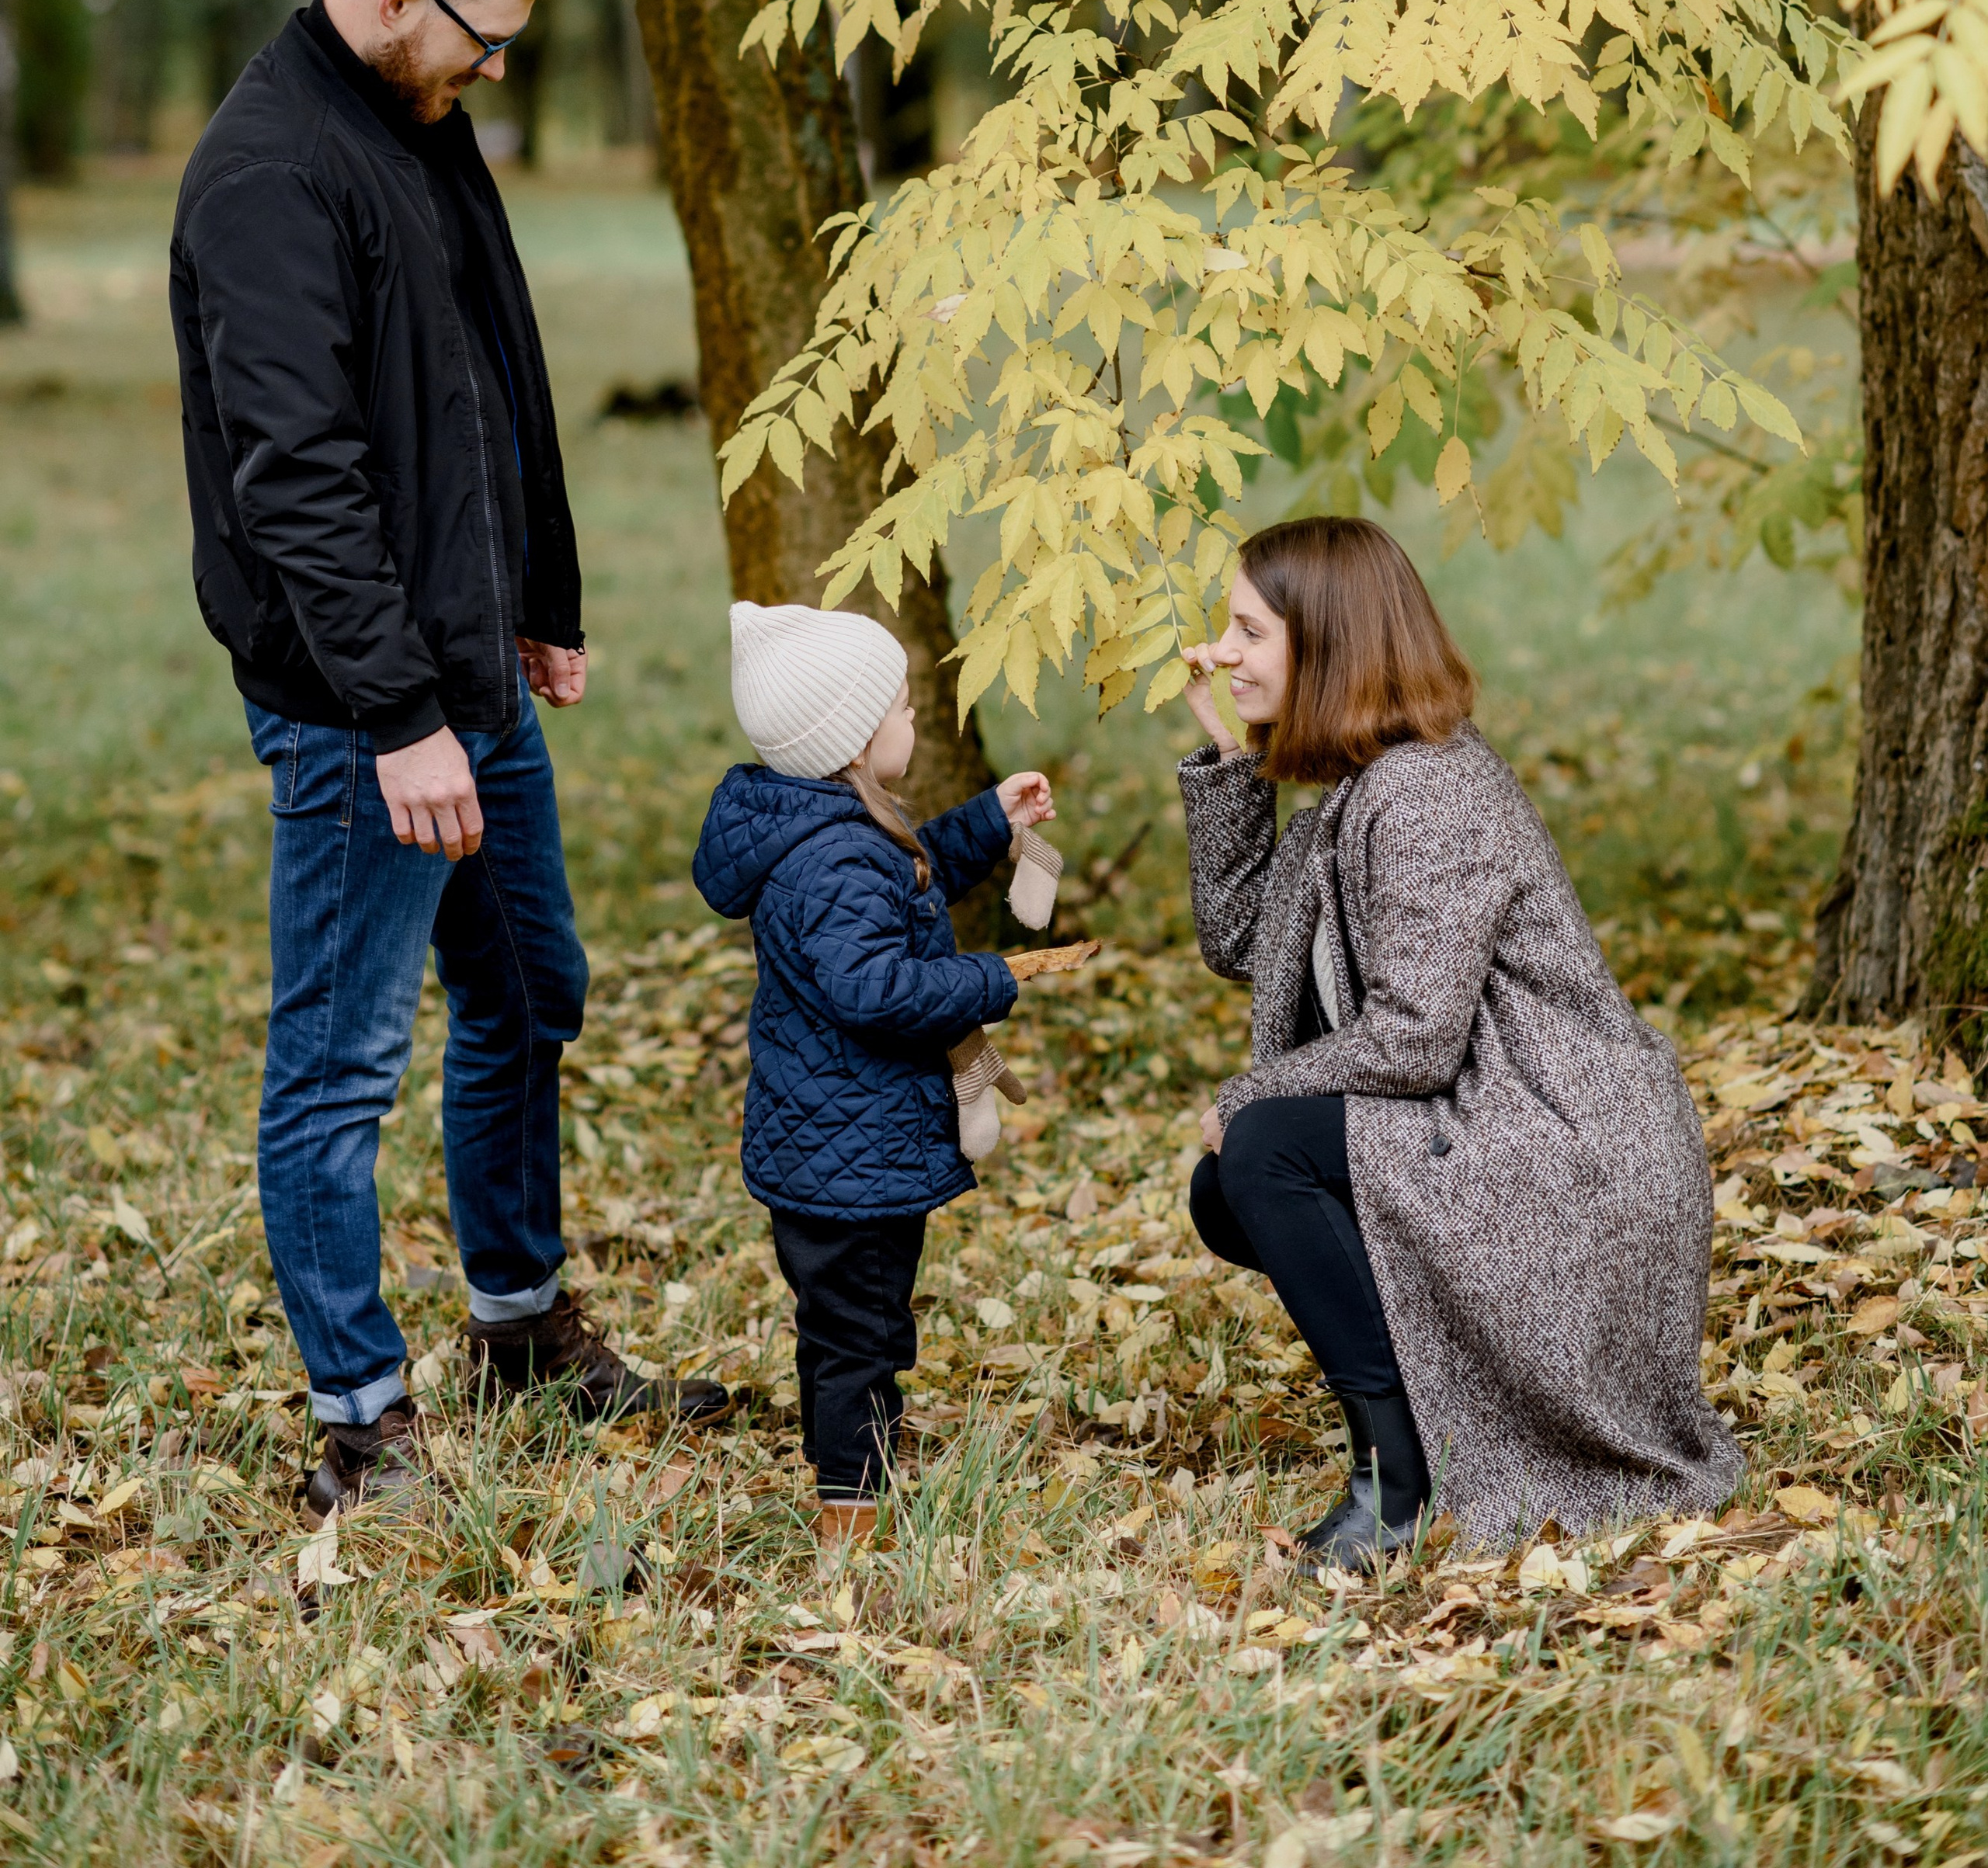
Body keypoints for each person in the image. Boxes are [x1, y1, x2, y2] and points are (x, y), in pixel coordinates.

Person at [170, 0, 726, 1524]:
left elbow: (493, 367)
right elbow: (297, 476)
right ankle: (363, 1421)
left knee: (528, 989)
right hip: (362, 710)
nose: (499, 71)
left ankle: (518, 1325)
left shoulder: (424, 118)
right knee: (338, 1066)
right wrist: (404, 714)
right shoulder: (267, 171)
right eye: (484, 39)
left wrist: (535, 599)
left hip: (466, 668)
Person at [1179, 516, 1740, 1561]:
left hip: (1560, 1145)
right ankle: (1424, 1434)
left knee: (1261, 1152)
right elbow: (1249, 946)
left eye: (1249, 632)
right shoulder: (1363, 789)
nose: (1222, 652)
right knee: (1233, 1192)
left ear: (1329, 641)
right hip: (1485, 1122)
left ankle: (1394, 1483)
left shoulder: (1429, 794)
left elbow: (1416, 1041)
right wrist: (1227, 758)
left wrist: (1246, 1099)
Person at [693, 602, 1089, 1548]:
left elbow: (906, 878)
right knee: (856, 1335)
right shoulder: (835, 854)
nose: (916, 720)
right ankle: (850, 1510)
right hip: (851, 1154)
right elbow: (869, 985)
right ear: (853, 737)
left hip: (836, 1140)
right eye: (904, 707)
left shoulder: (831, 827)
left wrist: (988, 823)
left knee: (854, 1319)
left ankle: (850, 1469)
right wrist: (987, 978)